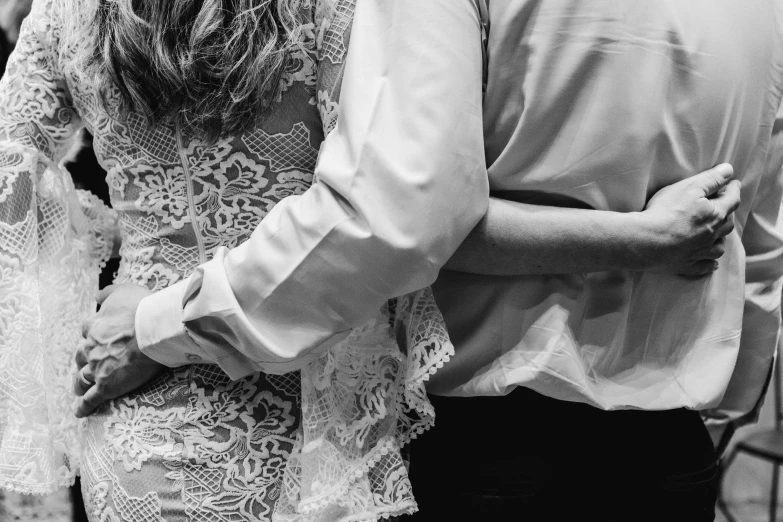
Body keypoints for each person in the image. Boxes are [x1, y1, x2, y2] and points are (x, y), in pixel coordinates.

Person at [0, 0, 740, 520]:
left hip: (148, 415)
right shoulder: (333, 12)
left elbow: (12, 174)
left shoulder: (64, 13)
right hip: (331, 415)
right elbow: (407, 209)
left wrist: (92, 309)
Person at [404, 2, 783, 521]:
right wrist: (719, 421)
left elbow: (415, 217)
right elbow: (762, 248)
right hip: (671, 437)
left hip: (478, 428)